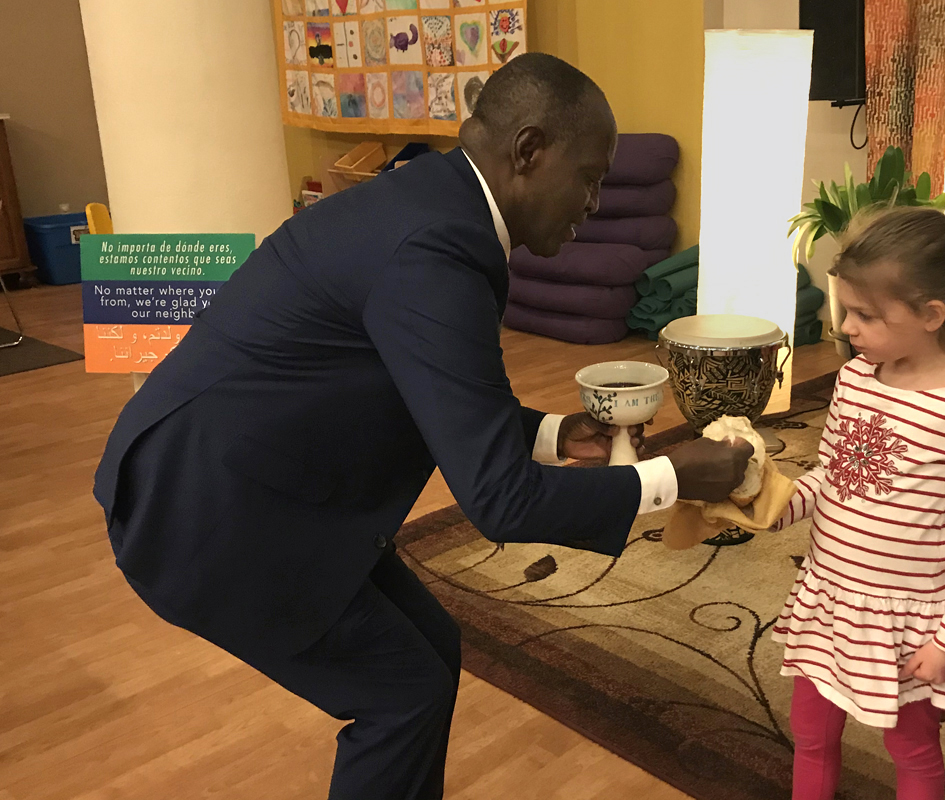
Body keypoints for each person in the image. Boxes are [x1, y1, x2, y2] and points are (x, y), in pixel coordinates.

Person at [92, 53, 752, 799]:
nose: (595, 201)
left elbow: (428, 385)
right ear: (529, 151)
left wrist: (551, 435)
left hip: (253, 481)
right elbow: (502, 502)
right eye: (591, 175)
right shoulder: (435, 248)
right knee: (399, 695)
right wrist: (673, 477)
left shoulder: (432, 206)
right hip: (206, 516)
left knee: (431, 654)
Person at [768, 207, 945, 800]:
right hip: (828, 598)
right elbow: (832, 475)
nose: (847, 327)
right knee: (809, 732)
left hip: (910, 624)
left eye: (866, 315)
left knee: (910, 748)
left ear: (932, 315)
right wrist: (776, 503)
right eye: (846, 309)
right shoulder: (857, 376)